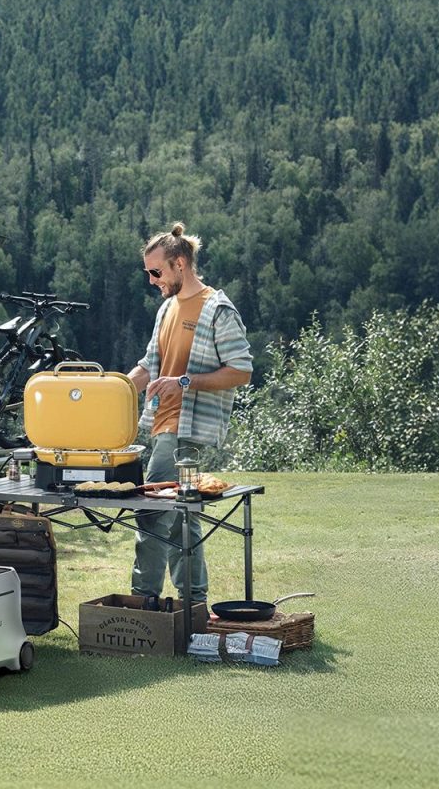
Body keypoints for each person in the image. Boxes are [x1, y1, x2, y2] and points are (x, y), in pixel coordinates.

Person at [125, 222, 254, 601]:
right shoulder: (167, 309)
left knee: (150, 514)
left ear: (180, 264)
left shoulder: (218, 310)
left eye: (156, 271)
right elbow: (149, 367)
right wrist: (111, 388)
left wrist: (184, 382)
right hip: (163, 427)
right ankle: (193, 603)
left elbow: (241, 371)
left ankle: (142, 602)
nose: (151, 280)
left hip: (191, 430)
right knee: (184, 517)